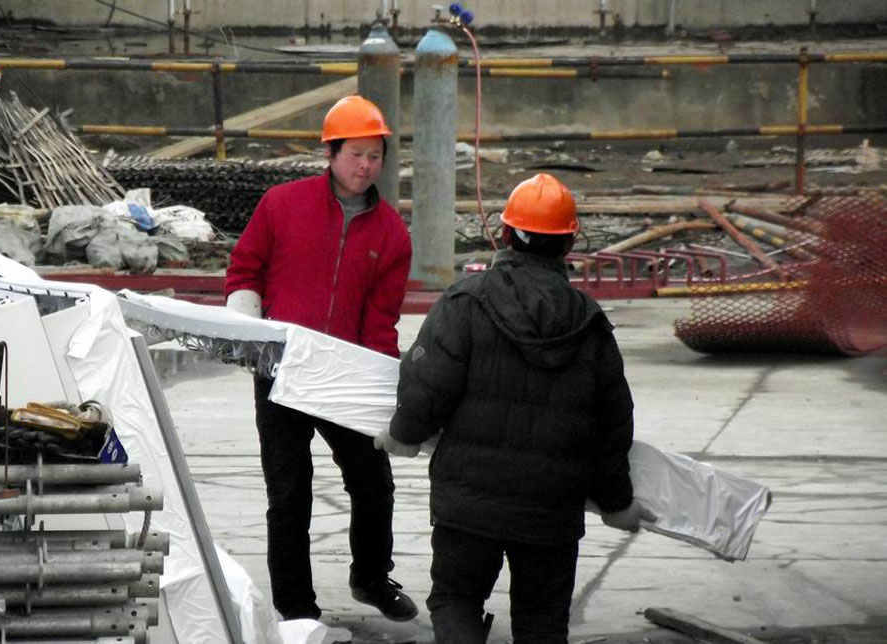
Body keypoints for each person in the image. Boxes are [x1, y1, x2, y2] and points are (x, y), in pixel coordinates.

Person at [375, 173, 655, 642]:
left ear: (505, 234)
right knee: (542, 622)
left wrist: (401, 435)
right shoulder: (589, 324)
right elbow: (612, 425)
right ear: (568, 244)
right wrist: (616, 503)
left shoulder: (464, 303)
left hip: (469, 504)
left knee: (456, 601)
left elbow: (427, 385)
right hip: (551, 514)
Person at [224, 95, 418, 622]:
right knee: (290, 495)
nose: (365, 166)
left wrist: (382, 392)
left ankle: (371, 578)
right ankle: (297, 608)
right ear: (331, 153)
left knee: (373, 483)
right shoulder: (282, 205)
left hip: (344, 377)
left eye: (375, 156)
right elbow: (245, 270)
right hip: (281, 373)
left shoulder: (391, 234)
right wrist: (246, 325)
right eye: (355, 154)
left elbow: (382, 322)